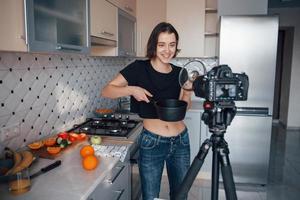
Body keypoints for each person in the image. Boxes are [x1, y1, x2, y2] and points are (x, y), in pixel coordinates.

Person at [101, 22, 192, 200]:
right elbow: (107, 90)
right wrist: (132, 89)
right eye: (162, 45)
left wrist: (188, 92)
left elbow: (184, 106)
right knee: (150, 196)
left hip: (181, 141)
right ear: (154, 45)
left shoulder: (181, 73)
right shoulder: (138, 68)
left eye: (172, 45)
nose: (168, 50)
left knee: (180, 195)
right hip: (152, 141)